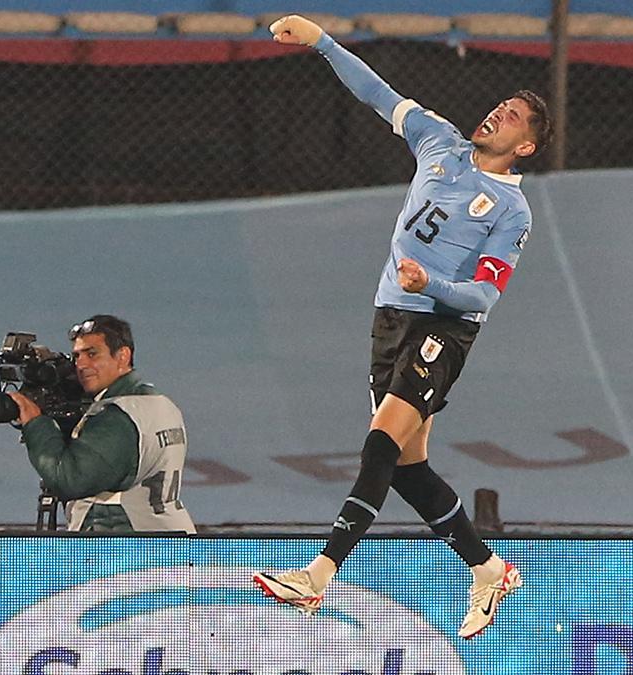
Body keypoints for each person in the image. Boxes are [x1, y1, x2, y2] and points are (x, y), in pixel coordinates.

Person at [252, 15, 551, 639]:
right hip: (391, 318)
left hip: (443, 325)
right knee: (409, 467)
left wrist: (432, 287)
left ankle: (318, 574)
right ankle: (488, 567)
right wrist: (322, 42)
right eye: (500, 104)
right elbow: (376, 93)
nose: (498, 112)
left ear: (525, 146)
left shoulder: (511, 209)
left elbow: (484, 294)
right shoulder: (439, 142)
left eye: (514, 116)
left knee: (379, 444)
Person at [8, 314, 195, 534]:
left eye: (92, 354)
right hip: (168, 537)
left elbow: (69, 478)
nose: (81, 365)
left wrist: (36, 423)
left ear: (123, 356)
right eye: (77, 356)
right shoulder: (159, 403)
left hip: (125, 548)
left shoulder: (117, 417)